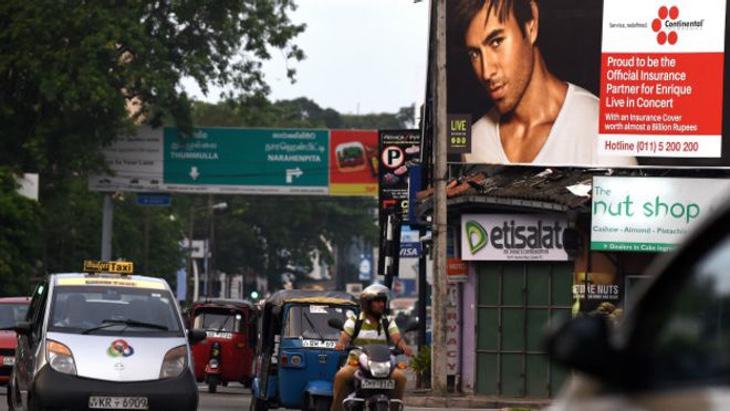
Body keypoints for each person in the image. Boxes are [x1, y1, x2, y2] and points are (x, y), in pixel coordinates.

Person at [457, 0, 636, 166]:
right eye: (474, 54)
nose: (486, 72)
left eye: (496, 42)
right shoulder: (475, 141)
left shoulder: (597, 129)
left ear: (531, 26)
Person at [331, 284, 413, 411]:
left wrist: (404, 346)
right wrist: (341, 344)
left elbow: (396, 338)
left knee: (400, 377)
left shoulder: (387, 321)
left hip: (383, 364)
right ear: (367, 303)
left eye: (382, 301)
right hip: (357, 363)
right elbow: (345, 337)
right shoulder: (355, 320)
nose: (381, 304)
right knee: (341, 375)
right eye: (377, 301)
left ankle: (395, 407)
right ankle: (336, 409)